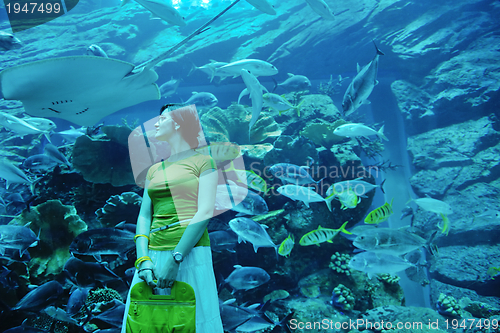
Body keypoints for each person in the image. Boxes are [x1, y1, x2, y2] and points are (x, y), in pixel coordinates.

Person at [121, 104, 223, 332]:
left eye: (161, 119)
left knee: (193, 321)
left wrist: (176, 259)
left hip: (190, 254)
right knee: (145, 322)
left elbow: (205, 212)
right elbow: (144, 216)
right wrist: (143, 260)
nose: (155, 123)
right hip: (152, 256)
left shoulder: (204, 163)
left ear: (177, 123)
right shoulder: (154, 170)